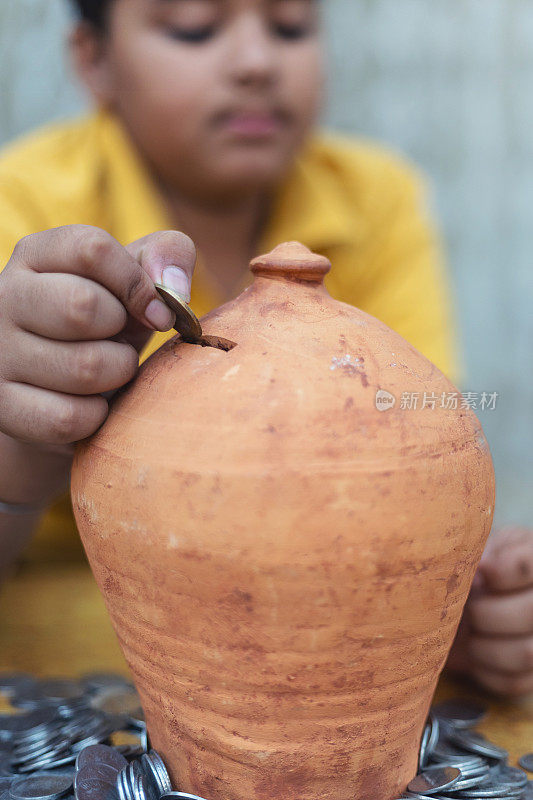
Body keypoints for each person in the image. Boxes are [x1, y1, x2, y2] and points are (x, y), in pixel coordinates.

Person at [0, 0, 530, 697]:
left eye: (290, 27)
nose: (256, 63)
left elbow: (420, 453)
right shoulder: (25, 213)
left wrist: (471, 599)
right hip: (57, 646)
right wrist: (19, 458)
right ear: (93, 60)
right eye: (193, 26)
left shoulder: (376, 200)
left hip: (316, 641)